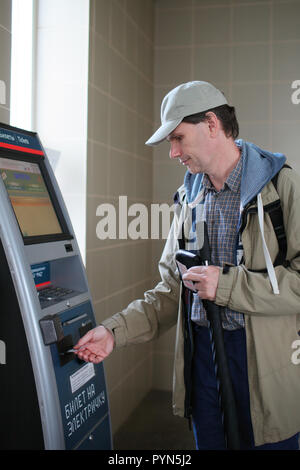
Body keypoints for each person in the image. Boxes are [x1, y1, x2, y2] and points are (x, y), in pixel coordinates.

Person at [74, 81, 300, 450]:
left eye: (178, 138)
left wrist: (225, 286)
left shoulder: (282, 187)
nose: (173, 153)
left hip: (266, 368)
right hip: (202, 361)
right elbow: (171, 289)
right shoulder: (188, 199)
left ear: (212, 124)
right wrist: (114, 332)